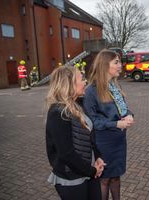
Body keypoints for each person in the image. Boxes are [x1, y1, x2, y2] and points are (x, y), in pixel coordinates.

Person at [45, 66, 106, 200]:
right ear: (69, 84)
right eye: (81, 79)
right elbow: (66, 153)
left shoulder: (78, 104)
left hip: (89, 171)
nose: (85, 82)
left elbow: (90, 137)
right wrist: (92, 171)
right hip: (72, 178)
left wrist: (98, 157)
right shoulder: (58, 112)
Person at [83, 49, 134, 200]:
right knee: (104, 179)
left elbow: (122, 109)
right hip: (104, 142)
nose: (121, 65)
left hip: (118, 141)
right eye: (116, 62)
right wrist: (116, 124)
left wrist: (129, 114)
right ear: (105, 65)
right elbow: (92, 121)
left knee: (116, 177)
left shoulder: (115, 87)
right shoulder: (91, 91)